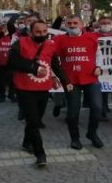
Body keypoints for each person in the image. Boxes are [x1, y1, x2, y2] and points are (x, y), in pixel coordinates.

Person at [9, 20, 71, 167]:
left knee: (36, 119)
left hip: (43, 88)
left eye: (44, 32)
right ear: (31, 32)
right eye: (38, 32)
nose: (42, 35)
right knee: (33, 121)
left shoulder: (50, 45)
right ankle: (40, 153)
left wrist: (65, 81)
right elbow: (12, 61)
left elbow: (55, 64)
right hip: (24, 88)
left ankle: (26, 142)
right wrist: (33, 68)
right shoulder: (20, 43)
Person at [53, 15, 106, 148]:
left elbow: (99, 54)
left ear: (82, 24)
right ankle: (74, 138)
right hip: (71, 81)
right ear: (65, 24)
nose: (72, 25)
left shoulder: (91, 38)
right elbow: (53, 58)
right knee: (73, 112)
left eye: (75, 23)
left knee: (97, 107)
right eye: (69, 23)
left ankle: (92, 133)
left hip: (90, 78)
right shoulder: (59, 40)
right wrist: (57, 76)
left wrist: (98, 67)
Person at [0, 23, 17, 103]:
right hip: (0, 63)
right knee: (1, 81)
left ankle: (11, 95)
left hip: (11, 63)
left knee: (12, 81)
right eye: (3, 28)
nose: (5, 30)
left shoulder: (13, 37)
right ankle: (2, 96)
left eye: (6, 28)